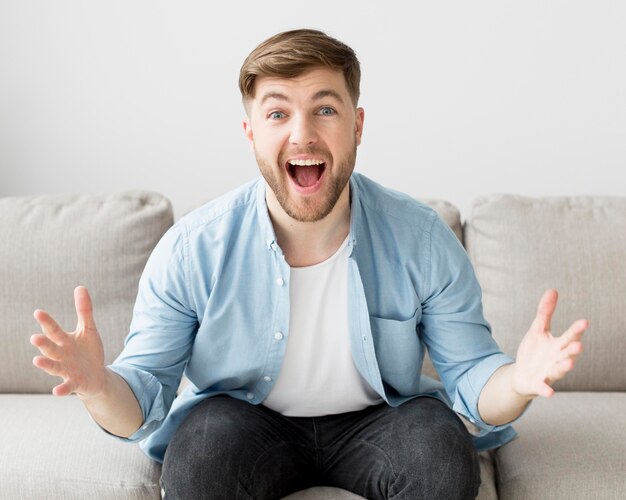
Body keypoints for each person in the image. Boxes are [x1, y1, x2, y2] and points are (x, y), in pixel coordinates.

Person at [30, 29, 588, 500]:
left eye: (325, 108)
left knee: (443, 452)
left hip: (381, 416)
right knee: (198, 454)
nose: (303, 133)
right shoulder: (191, 249)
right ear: (251, 134)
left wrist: (517, 378)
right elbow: (143, 401)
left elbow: (471, 376)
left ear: (357, 126)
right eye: (278, 112)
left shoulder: (421, 239)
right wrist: (97, 385)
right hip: (245, 419)